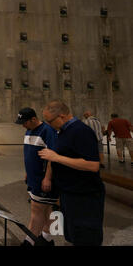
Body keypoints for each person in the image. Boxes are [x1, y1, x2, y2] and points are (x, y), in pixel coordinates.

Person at [39, 100, 105, 246]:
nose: (48, 124)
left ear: (61, 116)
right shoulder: (63, 131)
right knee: (73, 234)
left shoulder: (81, 131)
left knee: (86, 237)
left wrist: (56, 157)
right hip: (70, 193)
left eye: (49, 121)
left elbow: (93, 165)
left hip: (85, 196)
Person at [15, 108, 58, 246]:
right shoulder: (28, 131)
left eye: (24, 122)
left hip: (42, 179)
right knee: (46, 210)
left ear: (33, 119)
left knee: (36, 210)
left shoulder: (47, 131)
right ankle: (47, 238)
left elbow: (53, 156)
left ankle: (29, 242)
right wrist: (28, 171)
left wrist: (48, 178)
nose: (23, 125)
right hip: (33, 178)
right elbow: (30, 154)